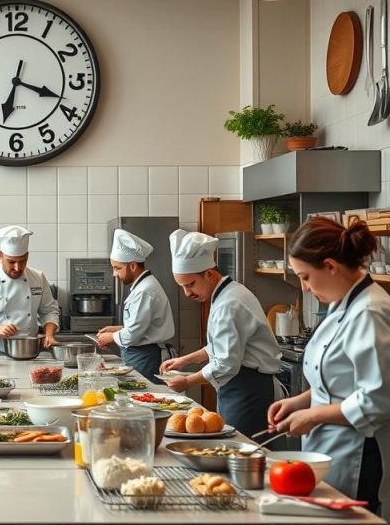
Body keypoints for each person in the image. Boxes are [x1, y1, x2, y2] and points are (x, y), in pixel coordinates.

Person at [267, 218, 390, 518]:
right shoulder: (340, 304)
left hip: (358, 455)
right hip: (328, 448)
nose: (304, 288)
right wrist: (300, 401)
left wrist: (313, 415)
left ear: (331, 266)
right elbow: (337, 379)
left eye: (306, 277)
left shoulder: (370, 311)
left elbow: (376, 400)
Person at [160, 229, 281, 436]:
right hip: (239, 387)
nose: (187, 293)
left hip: (248, 390)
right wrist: (184, 360)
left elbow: (226, 363)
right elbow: (219, 345)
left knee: (239, 452)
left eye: (190, 285)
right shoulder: (226, 293)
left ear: (209, 273)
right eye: (182, 286)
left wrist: (187, 381)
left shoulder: (229, 304)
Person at [96, 229, 175, 383]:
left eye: (117, 268)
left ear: (132, 266)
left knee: (146, 398)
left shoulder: (144, 291)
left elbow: (133, 334)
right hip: (142, 356)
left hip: (147, 358)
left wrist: (111, 337)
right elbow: (143, 326)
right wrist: (118, 329)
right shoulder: (143, 286)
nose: (114, 274)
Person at [0, 225, 59, 352]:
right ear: (0, 255)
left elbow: (49, 311)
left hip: (30, 350)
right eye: (11, 262)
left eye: (23, 261)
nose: (17, 267)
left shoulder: (38, 278)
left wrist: (49, 335)